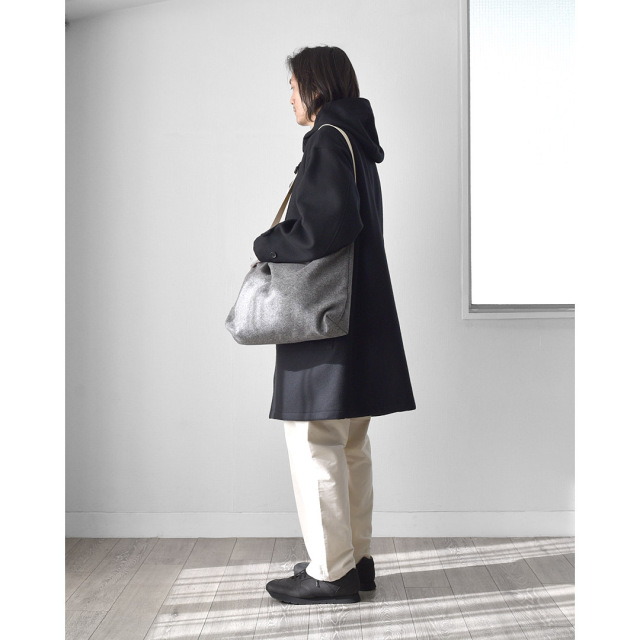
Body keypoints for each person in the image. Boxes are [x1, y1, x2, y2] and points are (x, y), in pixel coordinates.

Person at [253, 46, 416, 605]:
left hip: (326, 325)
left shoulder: (326, 138)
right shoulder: (356, 143)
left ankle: (330, 571)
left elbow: (326, 227)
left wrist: (267, 243)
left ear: (314, 86)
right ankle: (354, 559)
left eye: (293, 86)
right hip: (361, 318)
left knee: (314, 442)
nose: (290, 98)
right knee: (350, 444)